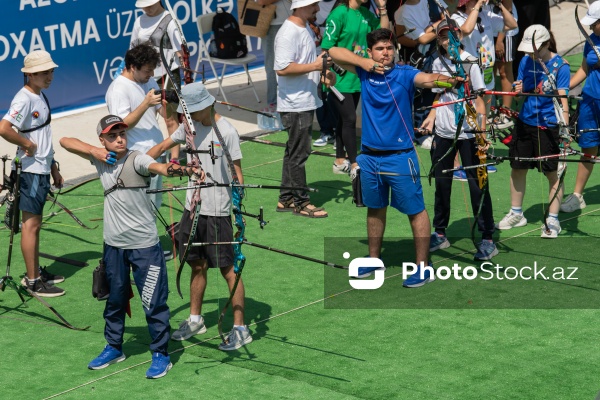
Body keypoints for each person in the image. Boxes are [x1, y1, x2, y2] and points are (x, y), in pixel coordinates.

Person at [60, 115, 201, 378]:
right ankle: (115, 346)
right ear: (102, 139)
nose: (120, 139)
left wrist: (184, 170)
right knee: (114, 300)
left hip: (144, 247)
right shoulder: (101, 158)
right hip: (114, 246)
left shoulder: (137, 158)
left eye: (122, 134)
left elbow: (158, 168)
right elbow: (65, 141)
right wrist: (95, 152)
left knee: (153, 301)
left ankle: (161, 353)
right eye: (112, 136)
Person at [329, 28, 464, 286]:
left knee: (415, 210)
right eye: (379, 49)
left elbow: (428, 80)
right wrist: (362, 62)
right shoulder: (364, 71)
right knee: (374, 208)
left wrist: (452, 81)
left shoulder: (405, 73)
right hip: (369, 156)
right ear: (371, 52)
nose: (385, 53)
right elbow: (333, 52)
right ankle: (373, 260)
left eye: (389, 48)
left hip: (400, 157)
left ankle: (423, 267)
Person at [146, 82, 253, 351]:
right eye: (187, 110)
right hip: (192, 211)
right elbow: (162, 146)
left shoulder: (227, 131)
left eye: (193, 110)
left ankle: (240, 327)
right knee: (196, 264)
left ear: (207, 104)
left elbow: (237, 173)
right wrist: (140, 161)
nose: (189, 115)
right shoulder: (189, 127)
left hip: (217, 212)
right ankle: (195, 319)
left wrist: (237, 204)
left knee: (230, 269)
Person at [421, 19, 497, 260]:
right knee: (442, 183)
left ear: (459, 37)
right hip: (443, 131)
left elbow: (480, 100)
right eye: (441, 37)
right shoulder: (436, 61)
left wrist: (482, 133)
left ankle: (487, 238)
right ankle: (440, 233)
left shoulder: (471, 61)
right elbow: (439, 94)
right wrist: (432, 115)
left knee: (478, 184)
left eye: (450, 36)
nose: (445, 41)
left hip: (469, 130)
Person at [0, 50, 65, 297]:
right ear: (30, 74)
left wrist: (53, 167)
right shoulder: (24, 99)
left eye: (51, 71)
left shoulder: (39, 95)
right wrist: (27, 145)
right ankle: (33, 280)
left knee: (35, 225)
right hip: (30, 171)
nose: (50, 76)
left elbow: (43, 135)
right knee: (31, 225)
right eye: (44, 72)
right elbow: (4, 128)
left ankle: (34, 270)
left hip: (41, 169)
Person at [496, 25, 569, 238]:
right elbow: (520, 95)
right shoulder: (527, 61)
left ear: (546, 44)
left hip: (549, 126)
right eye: (528, 50)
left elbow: (563, 100)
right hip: (525, 122)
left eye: (534, 49)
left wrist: (565, 131)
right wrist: (517, 90)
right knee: (517, 167)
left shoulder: (560, 66)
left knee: (552, 172)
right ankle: (517, 213)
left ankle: (553, 219)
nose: (530, 54)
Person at [274, 0, 335, 217]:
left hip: (302, 100)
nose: (317, 9)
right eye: (313, 5)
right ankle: (301, 202)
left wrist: (321, 71)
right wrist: (316, 67)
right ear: (300, 7)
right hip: (296, 103)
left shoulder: (304, 27)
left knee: (293, 151)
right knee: (299, 154)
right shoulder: (288, 33)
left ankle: (286, 198)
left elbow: (304, 61)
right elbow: (282, 68)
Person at [321, 0, 389, 179]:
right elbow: (327, 47)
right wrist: (327, 72)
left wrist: (382, 8)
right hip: (338, 77)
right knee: (350, 118)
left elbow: (385, 35)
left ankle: (339, 160)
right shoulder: (339, 13)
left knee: (344, 121)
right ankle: (354, 164)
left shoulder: (366, 14)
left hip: (358, 77)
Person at [106, 42, 167, 209]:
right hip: (136, 158)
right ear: (133, 67)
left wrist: (172, 103)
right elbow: (120, 126)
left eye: (153, 70)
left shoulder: (149, 81)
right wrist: (145, 104)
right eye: (147, 70)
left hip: (155, 152)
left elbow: (164, 113)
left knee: (154, 205)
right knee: (141, 208)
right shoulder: (118, 90)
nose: (151, 74)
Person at [130, 0, 184, 163]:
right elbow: (132, 48)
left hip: (166, 75)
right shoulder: (139, 21)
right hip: (143, 77)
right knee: (144, 116)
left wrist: (181, 61)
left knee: (169, 118)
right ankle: (148, 154)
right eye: (144, 5)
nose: (146, 8)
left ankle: (174, 158)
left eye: (150, 5)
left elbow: (179, 50)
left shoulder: (170, 19)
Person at [560, 3, 600, 213]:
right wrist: (563, 89)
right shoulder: (591, 41)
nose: (591, 27)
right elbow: (584, 69)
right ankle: (577, 195)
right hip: (590, 100)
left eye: (595, 24)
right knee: (588, 148)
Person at [258, 0, 292, 107]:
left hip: (292, 21)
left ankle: (290, 98)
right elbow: (260, 1)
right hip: (271, 24)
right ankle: (274, 101)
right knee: (272, 64)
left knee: (292, 62)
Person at [492, 2, 518, 130]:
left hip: (505, 34)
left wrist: (499, 40)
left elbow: (508, 12)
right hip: (488, 31)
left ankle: (506, 113)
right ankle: (490, 109)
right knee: (489, 70)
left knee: (504, 72)